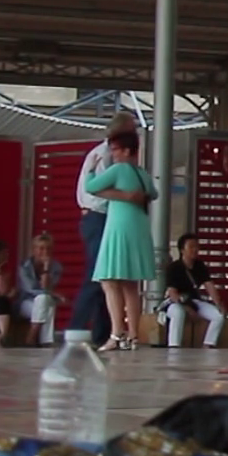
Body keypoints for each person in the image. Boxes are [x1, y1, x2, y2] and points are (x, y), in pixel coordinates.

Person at [68, 111, 138, 345]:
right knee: (99, 274)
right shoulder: (107, 156)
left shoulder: (108, 156)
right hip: (99, 217)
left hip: (101, 217)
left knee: (108, 277)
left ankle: (103, 333)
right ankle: (76, 328)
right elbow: (96, 189)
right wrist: (126, 197)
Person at [85, 129, 158, 350]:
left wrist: (90, 170)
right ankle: (133, 335)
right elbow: (153, 193)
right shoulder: (141, 173)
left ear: (127, 151)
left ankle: (116, 333)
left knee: (109, 280)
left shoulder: (119, 169)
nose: (113, 154)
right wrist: (123, 195)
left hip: (119, 226)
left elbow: (90, 187)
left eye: (115, 149)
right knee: (130, 283)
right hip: (139, 226)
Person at [164, 233, 227, 349]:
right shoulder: (173, 267)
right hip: (176, 302)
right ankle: (174, 345)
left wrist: (218, 304)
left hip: (194, 301)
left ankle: (208, 344)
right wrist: (187, 308)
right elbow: (172, 293)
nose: (195, 249)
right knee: (178, 313)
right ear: (182, 250)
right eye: (191, 247)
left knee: (218, 316)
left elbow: (209, 286)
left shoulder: (200, 266)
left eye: (197, 246)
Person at [16, 233, 64, 348]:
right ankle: (43, 340)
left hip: (43, 303)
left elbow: (47, 287)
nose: (45, 252)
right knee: (47, 301)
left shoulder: (56, 267)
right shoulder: (24, 266)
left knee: (45, 300)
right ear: (34, 250)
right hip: (26, 303)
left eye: (48, 248)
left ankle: (35, 336)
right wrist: (54, 295)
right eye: (41, 248)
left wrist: (46, 268)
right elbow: (30, 289)